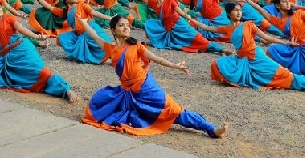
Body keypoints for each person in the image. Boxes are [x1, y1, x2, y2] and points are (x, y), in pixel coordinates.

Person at [79, 15, 227, 137]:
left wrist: (175, 65)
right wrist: (84, 23)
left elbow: (156, 58)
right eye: (121, 25)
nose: (126, 28)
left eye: (127, 25)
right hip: (128, 92)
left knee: (173, 109)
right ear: (113, 29)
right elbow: (94, 35)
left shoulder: (136, 45)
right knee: (145, 114)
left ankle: (210, 128)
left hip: (145, 87)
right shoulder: (111, 49)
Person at [209, 3, 305, 98]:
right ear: (228, 13)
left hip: (256, 56)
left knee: (285, 75)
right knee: (216, 64)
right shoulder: (226, 29)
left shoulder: (248, 24)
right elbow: (206, 27)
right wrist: (195, 22)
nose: (239, 12)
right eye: (235, 10)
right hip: (242, 60)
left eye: (240, 10)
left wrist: (286, 42)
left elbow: (266, 37)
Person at [0, 1, 79, 102]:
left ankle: (66, 90)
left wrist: (36, 36)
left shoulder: (9, 18)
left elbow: (21, 29)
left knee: (43, 73)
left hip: (22, 50)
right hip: (7, 56)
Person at [130, 0, 226, 54]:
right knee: (150, 23)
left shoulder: (170, 1)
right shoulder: (154, 3)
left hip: (179, 24)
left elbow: (179, 11)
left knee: (197, 38)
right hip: (168, 28)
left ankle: (220, 49)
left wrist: (187, 16)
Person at [55, 0, 114, 64]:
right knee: (62, 38)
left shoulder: (82, 5)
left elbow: (94, 13)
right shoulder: (64, 11)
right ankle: (87, 55)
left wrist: (110, 18)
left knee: (107, 46)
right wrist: (40, 0)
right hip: (79, 33)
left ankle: (112, 56)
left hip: (91, 28)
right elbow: (50, 7)